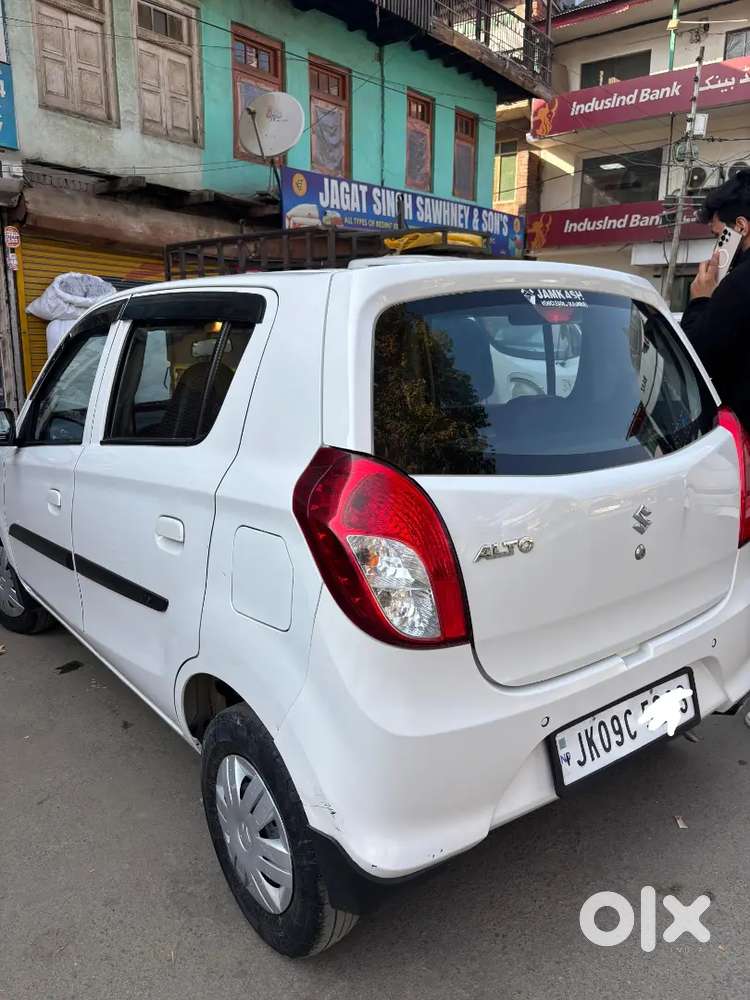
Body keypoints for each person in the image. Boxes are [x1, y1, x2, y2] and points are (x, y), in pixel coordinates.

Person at [680, 169, 750, 428]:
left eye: (718, 236)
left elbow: (695, 360)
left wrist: (700, 300)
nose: (716, 250)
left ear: (741, 227)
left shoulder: (739, 283)